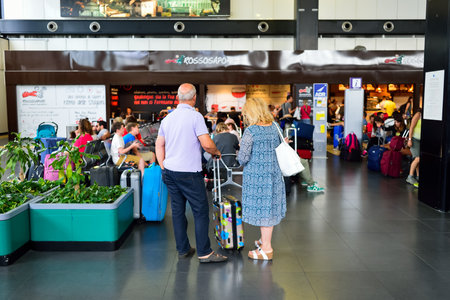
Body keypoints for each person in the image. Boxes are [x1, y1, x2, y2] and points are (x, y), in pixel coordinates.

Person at [155, 83, 227, 263]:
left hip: (170, 172)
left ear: (178, 98)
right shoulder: (195, 117)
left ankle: (183, 249)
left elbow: (159, 145)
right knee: (200, 211)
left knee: (178, 211)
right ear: (194, 98)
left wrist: (163, 166)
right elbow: (207, 144)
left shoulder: (167, 119)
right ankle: (204, 252)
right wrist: (216, 152)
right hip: (189, 173)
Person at [237, 97, 287, 261]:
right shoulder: (274, 127)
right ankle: (263, 240)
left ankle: (267, 249)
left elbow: (242, 159)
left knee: (263, 210)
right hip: (274, 175)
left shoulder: (250, 131)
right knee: (269, 208)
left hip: (257, 178)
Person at [406, 109, 421, 188]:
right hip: (414, 139)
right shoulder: (418, 114)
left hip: (420, 140)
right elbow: (411, 127)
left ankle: (418, 176)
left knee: (418, 158)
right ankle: (410, 177)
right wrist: (409, 139)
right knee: (418, 158)